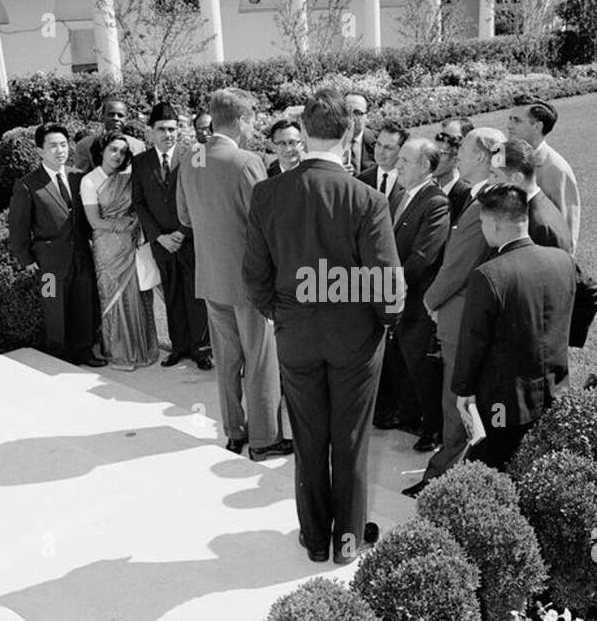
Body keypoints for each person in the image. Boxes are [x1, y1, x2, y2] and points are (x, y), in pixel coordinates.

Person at [244, 86, 401, 566]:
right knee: (350, 440)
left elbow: (254, 276)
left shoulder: (269, 193)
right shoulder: (366, 198)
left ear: (305, 132)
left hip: (296, 334)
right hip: (354, 337)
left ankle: (315, 538)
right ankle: (345, 542)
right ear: (351, 130)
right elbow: (387, 288)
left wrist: (283, 313)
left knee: (309, 438)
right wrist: (381, 323)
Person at [177, 89, 290, 460]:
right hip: (249, 281)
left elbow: (184, 217)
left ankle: (234, 432)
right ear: (240, 120)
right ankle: (265, 439)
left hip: (211, 275)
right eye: (253, 117)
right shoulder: (246, 160)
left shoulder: (192, 156)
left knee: (228, 360)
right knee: (259, 359)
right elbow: (267, 226)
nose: (254, 124)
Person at [402, 126, 504, 497]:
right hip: (458, 318)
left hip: (459, 320)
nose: (454, 153)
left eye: (462, 148)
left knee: (456, 401)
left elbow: (458, 265)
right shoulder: (477, 197)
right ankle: (458, 470)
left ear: (481, 156)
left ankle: (443, 478)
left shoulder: (485, 201)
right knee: (460, 402)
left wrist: (430, 301)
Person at [452, 184, 576, 471]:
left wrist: (464, 390)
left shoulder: (489, 275)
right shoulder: (563, 261)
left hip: (501, 403)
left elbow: (474, 341)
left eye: (483, 222)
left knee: (489, 466)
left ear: (495, 224)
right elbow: (592, 295)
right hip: (554, 389)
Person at [7, 122, 104, 368]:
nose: (60, 150)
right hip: (49, 265)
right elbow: (18, 227)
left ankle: (84, 352)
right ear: (40, 150)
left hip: (81, 257)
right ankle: (59, 357)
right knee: (54, 309)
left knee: (84, 304)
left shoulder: (77, 177)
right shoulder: (28, 185)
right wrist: (26, 260)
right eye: (52, 146)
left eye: (63, 145)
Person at [131, 102, 212, 371]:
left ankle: (201, 350)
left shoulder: (193, 155)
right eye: (162, 129)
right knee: (172, 294)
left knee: (195, 296)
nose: (168, 134)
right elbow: (139, 203)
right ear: (150, 132)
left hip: (189, 239)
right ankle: (179, 347)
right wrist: (159, 237)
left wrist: (182, 231)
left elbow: (202, 197)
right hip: (162, 243)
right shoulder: (140, 162)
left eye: (173, 129)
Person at [382, 136, 450, 453]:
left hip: (417, 302)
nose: (397, 164)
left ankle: (433, 429)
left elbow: (423, 258)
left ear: (425, 166)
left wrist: (385, 284)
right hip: (397, 297)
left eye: (405, 161)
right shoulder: (401, 196)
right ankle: (408, 416)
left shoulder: (435, 202)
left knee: (422, 368)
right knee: (402, 363)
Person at [79, 132, 159, 371]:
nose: (118, 155)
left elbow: (138, 207)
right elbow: (94, 221)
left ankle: (143, 349)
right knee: (113, 298)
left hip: (132, 245)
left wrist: (133, 222)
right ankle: (120, 353)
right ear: (101, 150)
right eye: (113, 149)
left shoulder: (129, 177)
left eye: (123, 151)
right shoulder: (90, 181)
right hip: (108, 249)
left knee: (138, 295)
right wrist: (122, 225)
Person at [506, 101, 580, 254]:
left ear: (537, 126)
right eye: (510, 118)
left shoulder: (556, 169)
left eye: (517, 120)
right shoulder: (508, 156)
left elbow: (567, 226)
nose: (509, 125)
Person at [494, 139, 571, 249]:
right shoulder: (535, 207)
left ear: (516, 178)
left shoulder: (539, 225)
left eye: (495, 175)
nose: (490, 181)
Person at [73, 97, 146, 174]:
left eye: (120, 115)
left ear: (126, 119)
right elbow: (80, 179)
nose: (115, 118)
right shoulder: (84, 145)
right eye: (111, 114)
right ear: (102, 116)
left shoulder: (138, 147)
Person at [358, 123, 406, 211]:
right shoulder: (361, 180)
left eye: (388, 148)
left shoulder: (410, 182)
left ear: (401, 150)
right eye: (378, 144)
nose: (381, 152)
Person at [434, 116, 473, 222]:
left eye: (454, 139)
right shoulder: (433, 188)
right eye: (443, 137)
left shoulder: (468, 193)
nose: (446, 142)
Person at [345, 93, 370, 173]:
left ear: (366, 117)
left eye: (357, 112)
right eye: (346, 111)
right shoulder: (327, 141)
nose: (351, 117)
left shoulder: (379, 143)